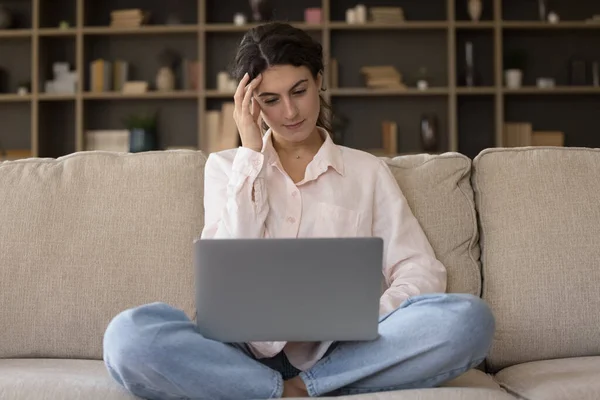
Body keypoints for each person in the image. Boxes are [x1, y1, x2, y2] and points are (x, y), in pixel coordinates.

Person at [102, 22, 495, 400]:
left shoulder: (366, 172)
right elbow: (228, 271)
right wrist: (251, 155)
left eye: (299, 91)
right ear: (250, 104)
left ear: (319, 80)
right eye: (270, 100)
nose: (289, 112)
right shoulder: (226, 169)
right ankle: (284, 388)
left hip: (343, 351)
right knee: (128, 337)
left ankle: (300, 386)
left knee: (468, 320)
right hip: (237, 351)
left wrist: (359, 317)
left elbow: (420, 270)